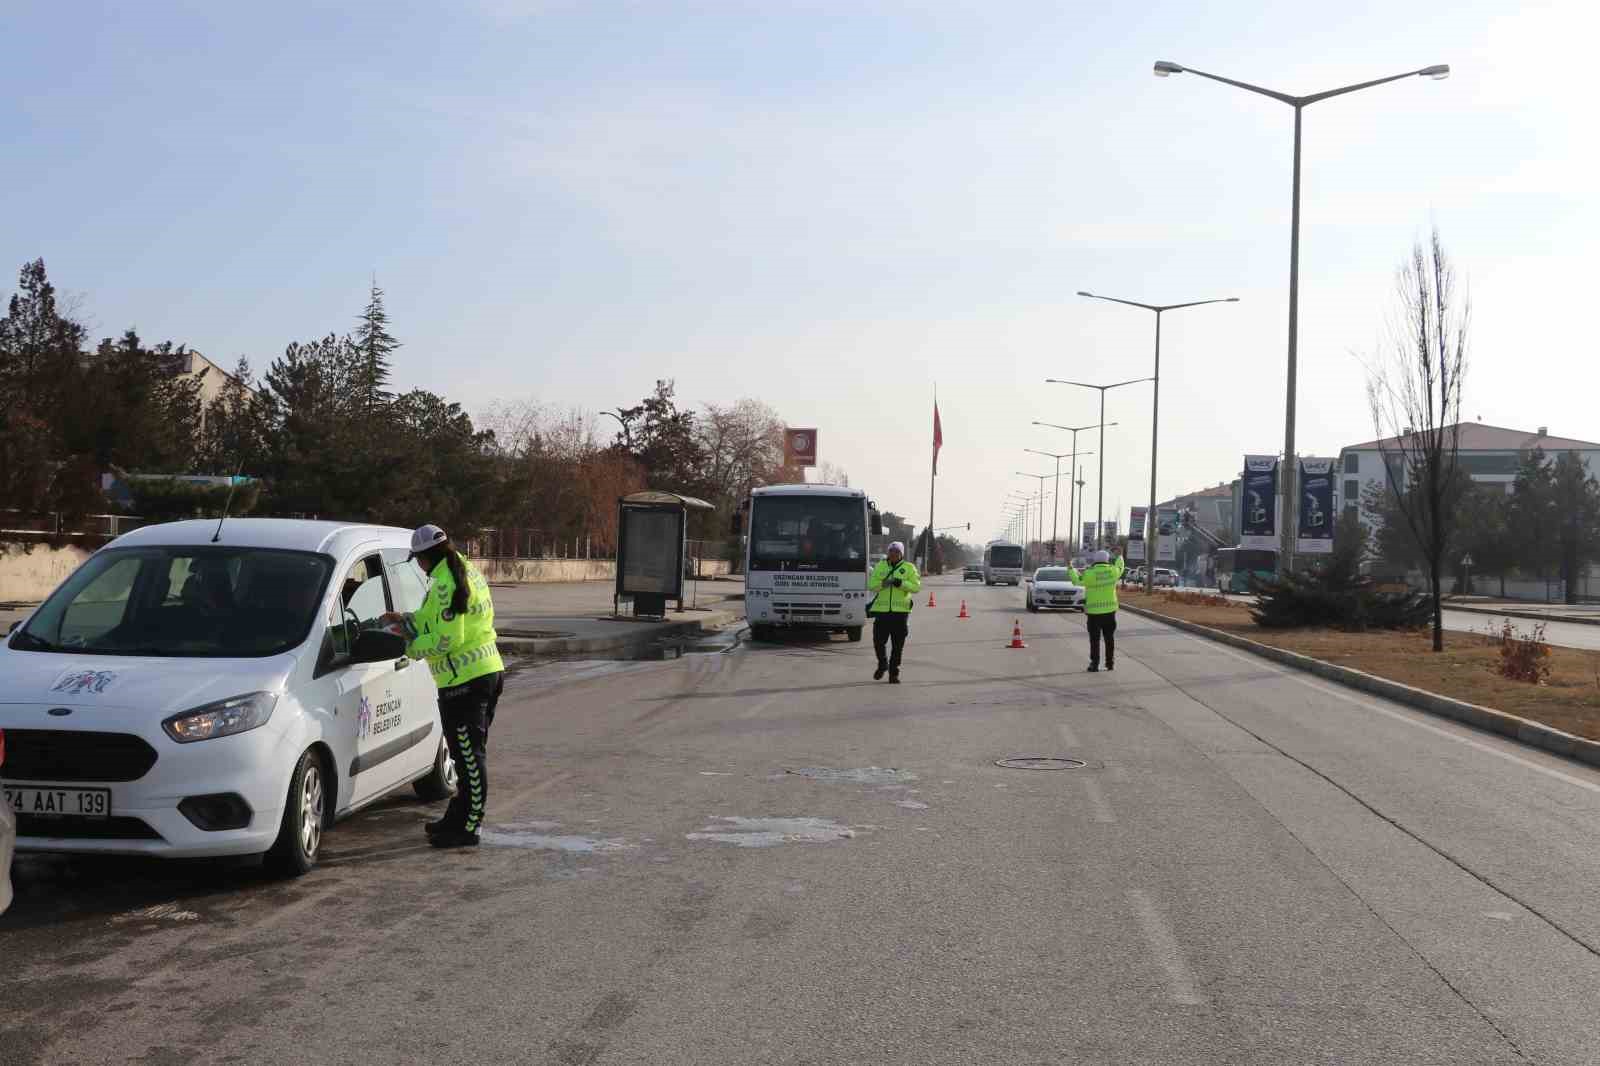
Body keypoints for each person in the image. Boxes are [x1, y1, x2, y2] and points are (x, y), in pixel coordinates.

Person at [381, 524, 504, 848]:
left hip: (466, 681)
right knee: (466, 759)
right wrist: (404, 620)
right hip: (479, 675)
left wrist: (408, 647)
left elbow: (448, 639)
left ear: (423, 558)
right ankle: (457, 817)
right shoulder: (460, 572)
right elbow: (433, 620)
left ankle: (469, 827)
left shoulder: (447, 583)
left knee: (469, 759)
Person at [867, 540, 921, 683]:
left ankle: (893, 674)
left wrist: (900, 583)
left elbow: (916, 587)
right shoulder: (880, 566)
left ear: (901, 554)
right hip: (882, 612)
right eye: (891, 551)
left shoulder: (909, 568)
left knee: (898, 646)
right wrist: (882, 584)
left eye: (897, 551)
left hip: (900, 613)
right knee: (878, 642)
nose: (893, 554)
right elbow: (871, 585)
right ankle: (882, 664)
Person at [1069, 548, 1124, 672]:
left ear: (1095, 560)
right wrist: (1120, 556)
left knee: (1095, 640)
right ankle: (1110, 663)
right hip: (1110, 613)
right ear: (1107, 560)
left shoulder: (1089, 573)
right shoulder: (1113, 571)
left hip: (1094, 614)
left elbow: (1076, 581)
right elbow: (1120, 567)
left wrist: (1070, 568)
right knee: (1109, 638)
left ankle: (1094, 664)